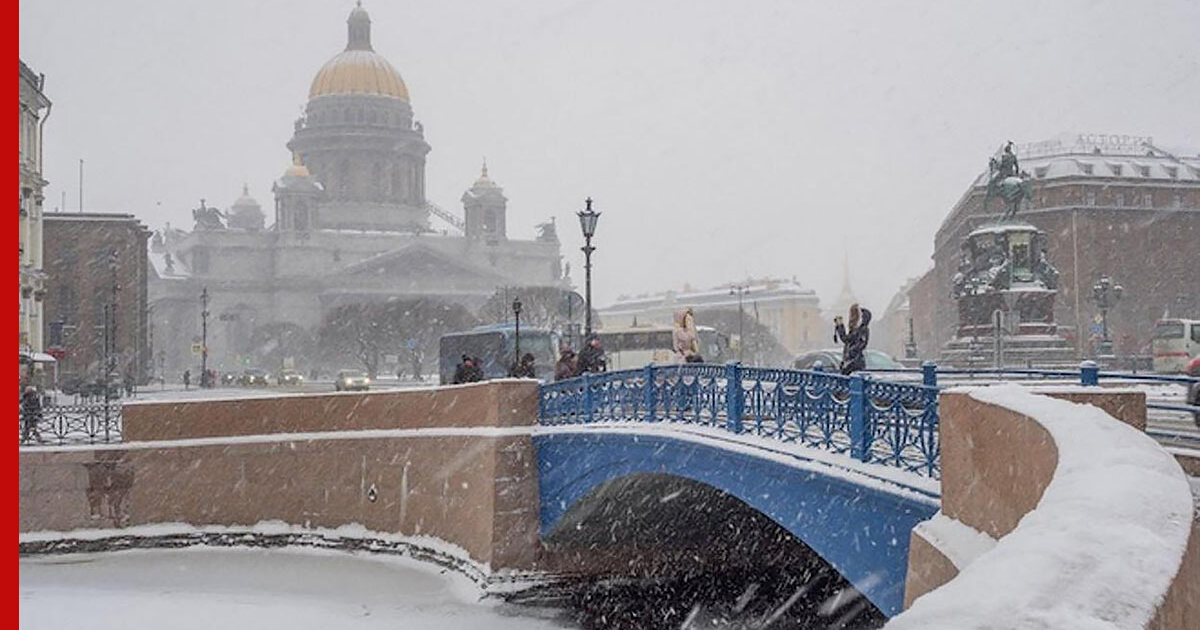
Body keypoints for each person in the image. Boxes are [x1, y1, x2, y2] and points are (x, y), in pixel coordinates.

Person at [833, 303, 872, 375]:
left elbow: (861, 345)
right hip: (850, 362)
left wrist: (851, 353)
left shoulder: (863, 329)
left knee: (853, 381)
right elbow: (846, 339)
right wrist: (840, 326)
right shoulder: (856, 330)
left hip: (855, 364)